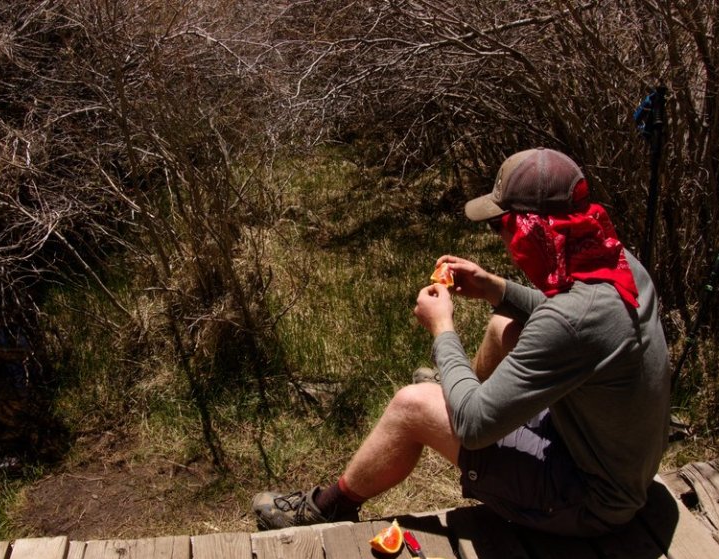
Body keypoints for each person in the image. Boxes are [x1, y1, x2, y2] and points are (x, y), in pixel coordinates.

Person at [252, 148, 670, 536]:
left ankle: (328, 507)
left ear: (530, 232)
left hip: (590, 502)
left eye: (499, 226)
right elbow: (566, 320)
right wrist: (496, 288)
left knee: (412, 406)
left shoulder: (571, 320)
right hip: (611, 460)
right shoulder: (618, 262)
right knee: (504, 325)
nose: (499, 238)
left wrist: (442, 330)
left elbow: (472, 429)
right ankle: (457, 391)